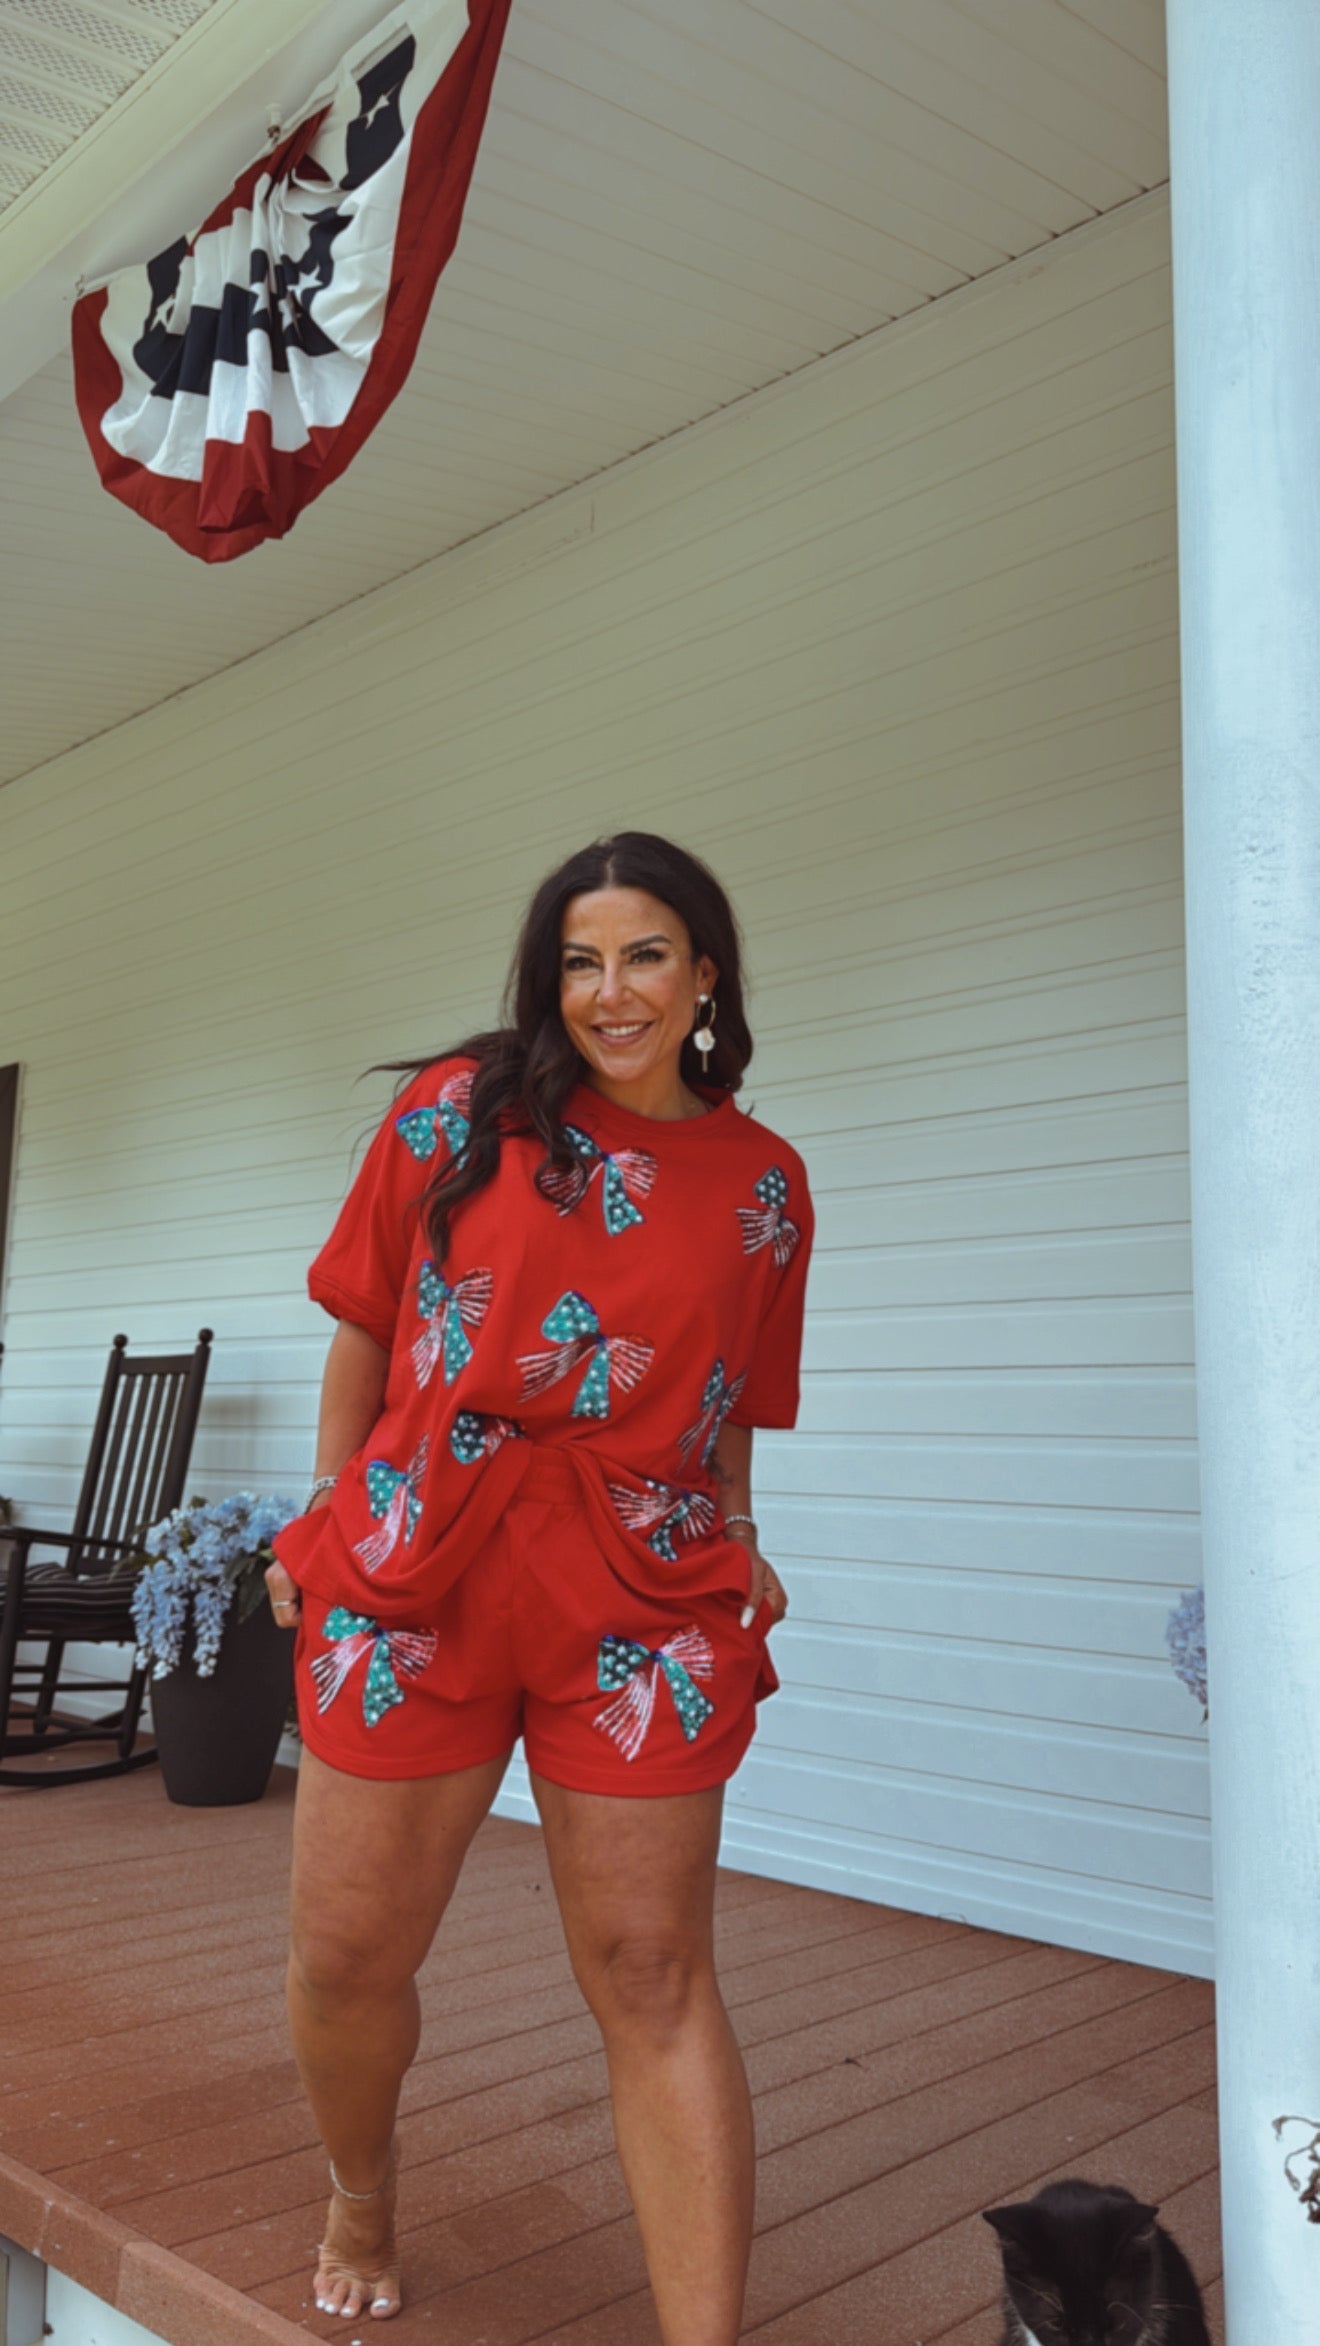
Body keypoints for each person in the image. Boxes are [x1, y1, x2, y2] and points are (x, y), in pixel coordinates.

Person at [264, 830, 815, 2342]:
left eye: (645, 954)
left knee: (654, 1969)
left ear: (706, 973)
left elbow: (733, 1402)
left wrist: (739, 1527)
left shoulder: (765, 1182)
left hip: (639, 1594)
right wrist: (328, 1514)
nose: (610, 989)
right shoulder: (457, 1112)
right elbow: (366, 1325)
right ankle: (362, 2191)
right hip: (421, 1559)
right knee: (346, 1951)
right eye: (580, 957)